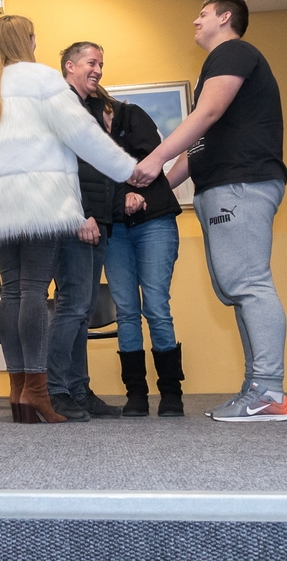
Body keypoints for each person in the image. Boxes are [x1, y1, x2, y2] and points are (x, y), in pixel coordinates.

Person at [0, 16, 137, 424]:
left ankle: (18, 392)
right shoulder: (42, 80)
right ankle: (37, 391)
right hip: (40, 200)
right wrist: (129, 169)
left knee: (13, 293)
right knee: (35, 292)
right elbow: (83, 135)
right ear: (28, 41)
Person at [130, 0, 287, 422]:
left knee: (249, 284)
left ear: (225, 17)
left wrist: (154, 158)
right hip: (223, 186)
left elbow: (208, 114)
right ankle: (256, 389)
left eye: (202, 14)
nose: (195, 21)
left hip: (241, 184)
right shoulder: (218, 67)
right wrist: (156, 190)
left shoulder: (233, 52)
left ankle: (269, 391)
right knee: (236, 290)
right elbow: (199, 144)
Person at [45, 42, 122, 421]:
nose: (98, 70)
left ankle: (78, 390)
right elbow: (56, 168)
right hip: (75, 220)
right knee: (72, 305)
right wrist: (80, 215)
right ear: (70, 66)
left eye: (101, 64)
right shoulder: (58, 105)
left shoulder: (91, 109)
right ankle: (54, 390)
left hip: (98, 220)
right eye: (92, 62)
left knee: (84, 308)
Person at [101, 92, 184, 417]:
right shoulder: (84, 132)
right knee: (125, 311)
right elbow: (92, 178)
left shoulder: (132, 115)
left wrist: (130, 191)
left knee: (156, 307)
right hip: (115, 229)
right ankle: (136, 393)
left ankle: (171, 393)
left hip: (154, 221)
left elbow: (149, 162)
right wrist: (121, 195)